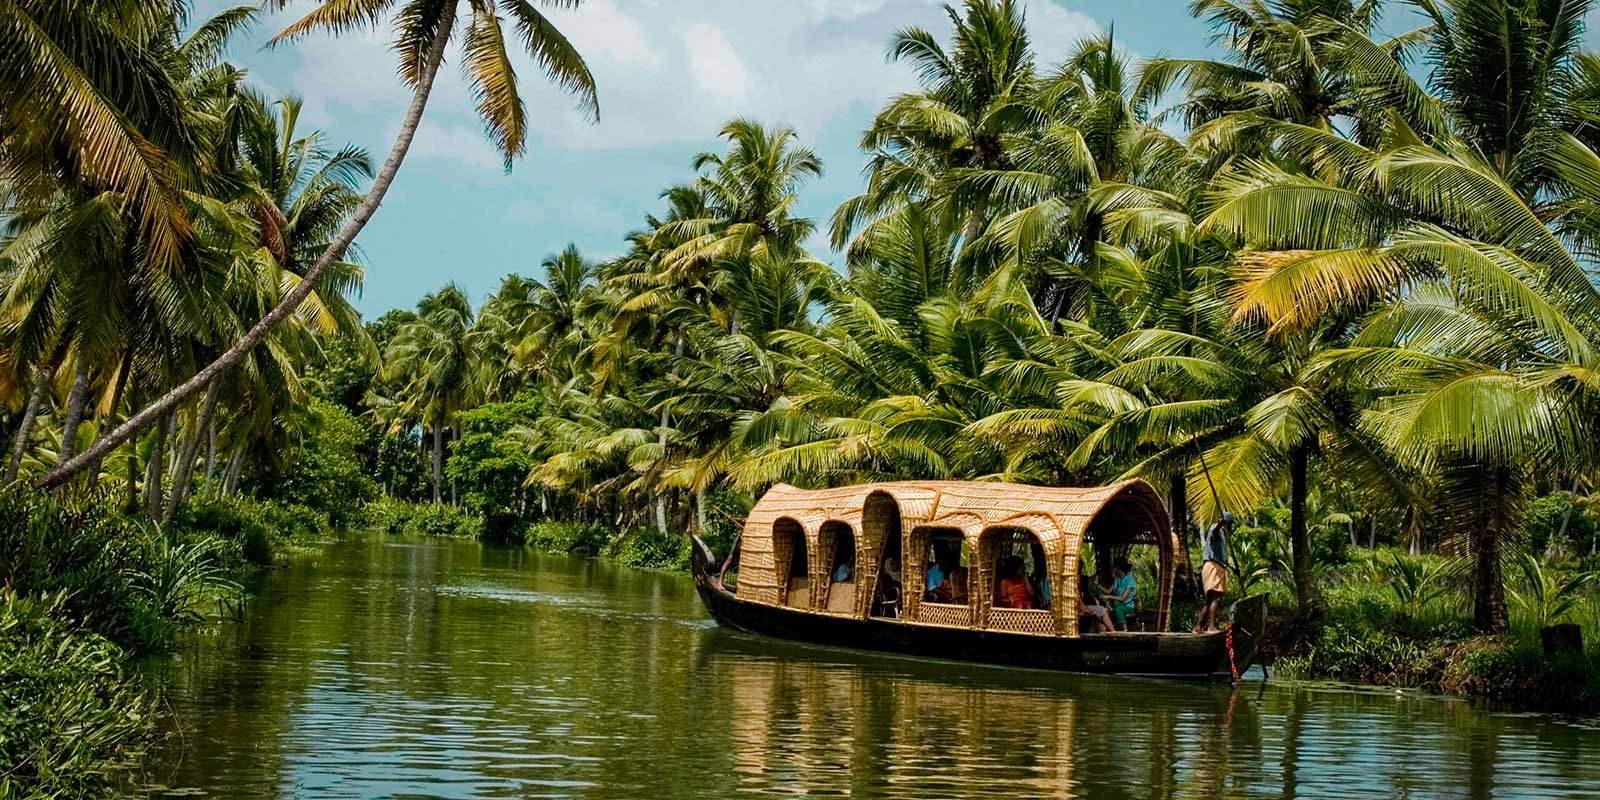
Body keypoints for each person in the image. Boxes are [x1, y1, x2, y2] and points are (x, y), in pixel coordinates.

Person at [1196, 512, 1233, 633]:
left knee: (1210, 600)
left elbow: (1222, 557)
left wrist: (1233, 569)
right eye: (1229, 524)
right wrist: (1220, 524)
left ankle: (1199, 627)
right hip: (1213, 566)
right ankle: (1211, 627)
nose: (1230, 527)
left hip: (1216, 566)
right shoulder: (1216, 528)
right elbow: (1214, 532)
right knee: (1215, 598)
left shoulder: (1224, 536)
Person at [1104, 557, 1137, 630]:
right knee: (1104, 608)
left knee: (1118, 609)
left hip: (1127, 607)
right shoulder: (1117, 579)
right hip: (1116, 605)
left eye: (1114, 567)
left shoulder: (1130, 580)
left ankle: (1125, 629)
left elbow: (1123, 598)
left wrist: (1109, 597)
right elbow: (1108, 591)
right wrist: (1097, 585)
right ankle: (1109, 628)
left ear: (1118, 569)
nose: (1113, 569)